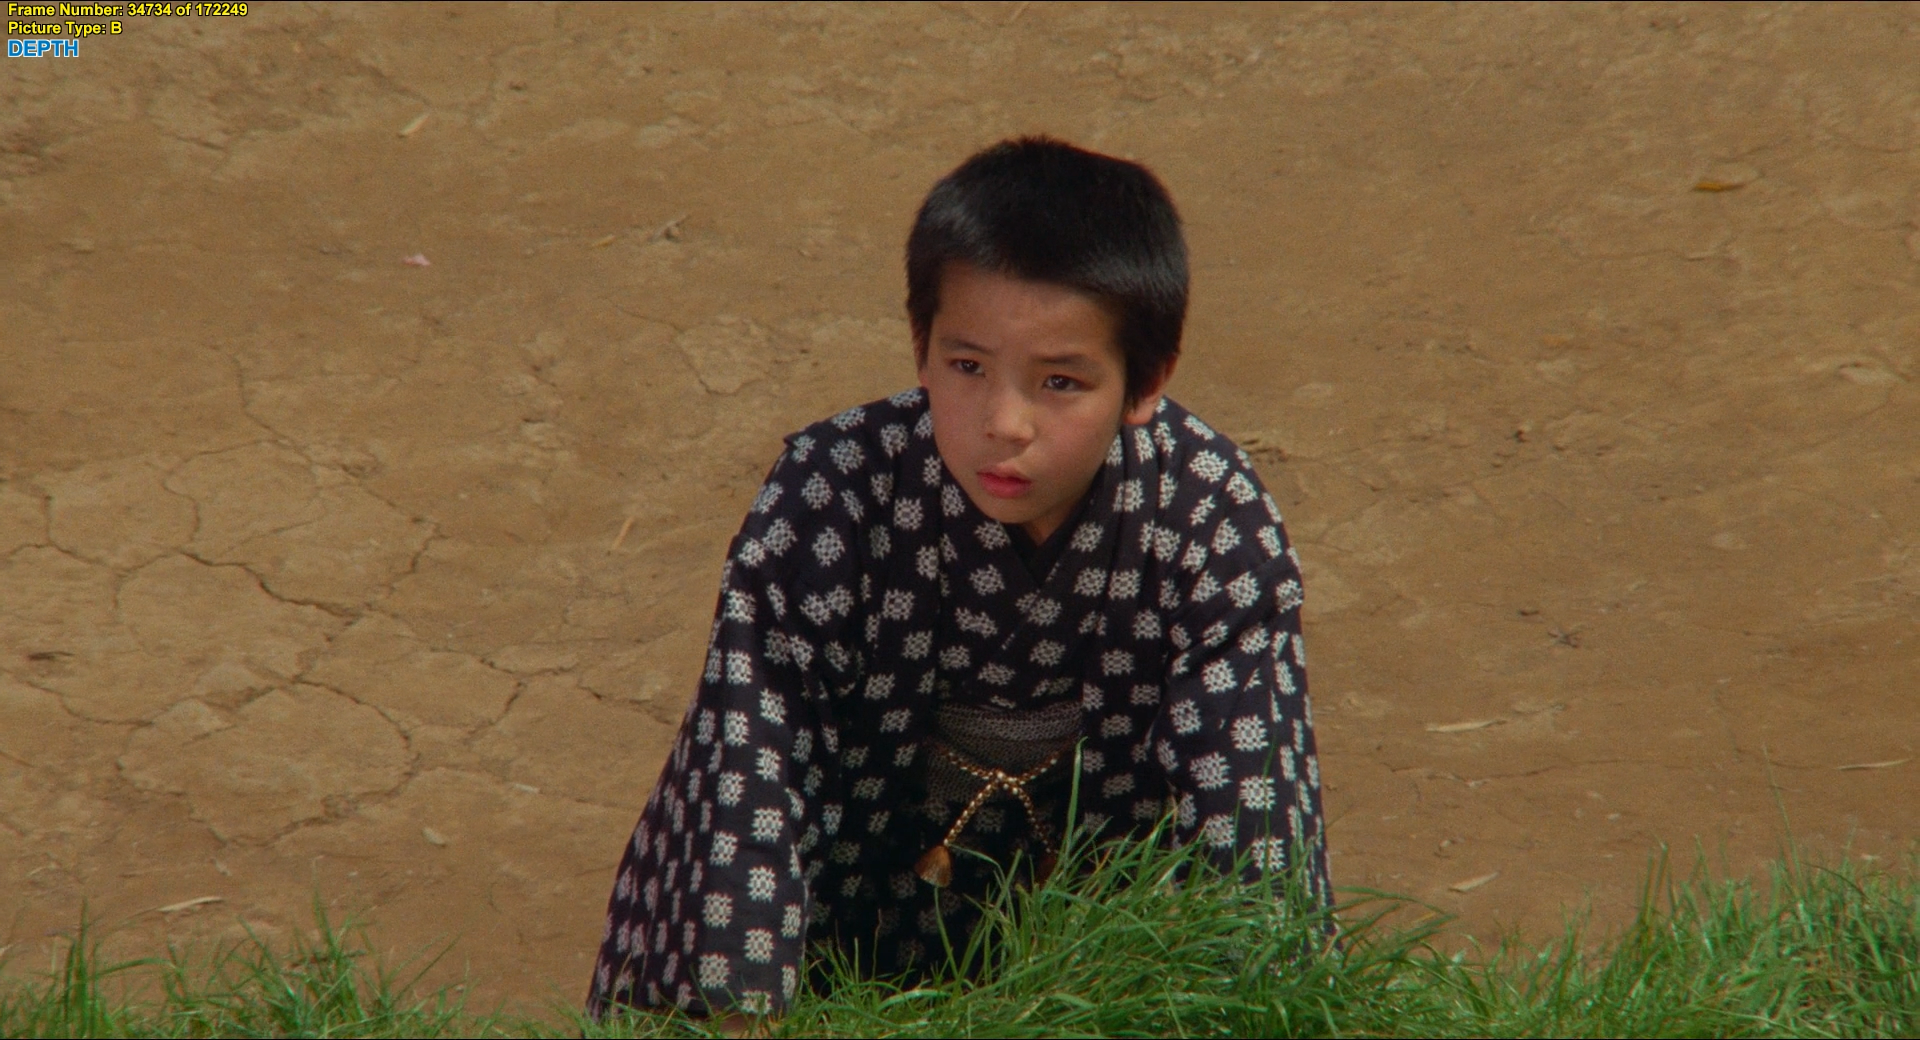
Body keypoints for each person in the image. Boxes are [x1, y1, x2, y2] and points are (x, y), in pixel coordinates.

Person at [587, 136, 1330, 1020]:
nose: (1004, 422)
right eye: (967, 367)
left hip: (1102, 969)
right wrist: (752, 1018)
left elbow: (1252, 829)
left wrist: (1245, 1014)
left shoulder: (1211, 520)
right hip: (834, 935)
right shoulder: (829, 496)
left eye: (1061, 381)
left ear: (1146, 383)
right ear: (920, 345)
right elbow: (754, 774)